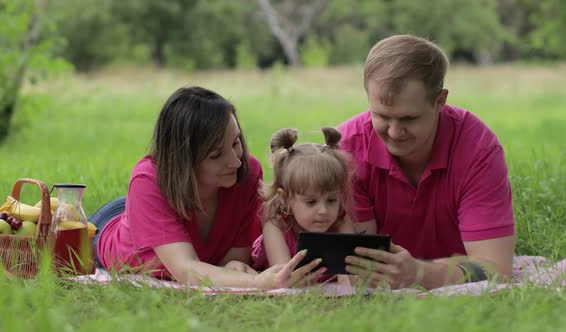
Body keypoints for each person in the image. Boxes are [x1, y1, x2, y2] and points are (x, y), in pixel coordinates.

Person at [91, 86, 324, 289]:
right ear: (183, 160)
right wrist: (260, 282)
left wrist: (233, 269)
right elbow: (186, 270)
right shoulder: (149, 180)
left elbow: (232, 260)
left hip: (150, 212)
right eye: (215, 155)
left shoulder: (247, 172)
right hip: (108, 228)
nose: (235, 161)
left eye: (235, 143)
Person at [338, 35, 515, 289]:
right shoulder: (345, 151)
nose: (395, 132)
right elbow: (357, 264)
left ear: (440, 101)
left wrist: (420, 274)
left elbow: (497, 268)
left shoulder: (478, 149)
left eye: (409, 118)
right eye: (382, 116)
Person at [251, 127, 355, 273]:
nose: (323, 211)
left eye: (331, 200)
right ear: (285, 198)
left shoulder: (340, 220)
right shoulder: (275, 222)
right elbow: (284, 274)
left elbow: (350, 272)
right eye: (311, 202)